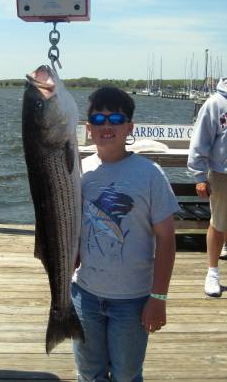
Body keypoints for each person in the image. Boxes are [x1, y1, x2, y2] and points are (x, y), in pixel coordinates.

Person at [72, 86, 179, 382]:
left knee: (127, 375)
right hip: (84, 295)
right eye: (99, 118)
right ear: (88, 127)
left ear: (129, 127)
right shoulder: (78, 171)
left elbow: (167, 239)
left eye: (116, 118)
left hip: (132, 301)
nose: (107, 125)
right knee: (89, 374)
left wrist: (158, 297)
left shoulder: (150, 174)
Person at [187, 77, 227, 297]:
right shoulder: (215, 104)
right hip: (222, 174)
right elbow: (199, 142)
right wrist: (200, 176)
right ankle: (212, 272)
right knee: (218, 223)